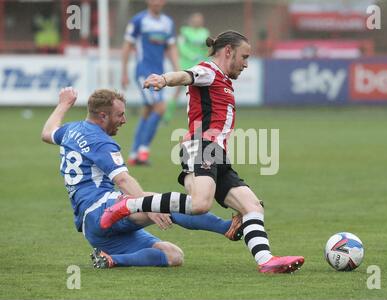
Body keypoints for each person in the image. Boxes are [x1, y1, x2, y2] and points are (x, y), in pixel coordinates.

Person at [107, 31, 305, 274]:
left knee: (252, 207)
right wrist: (164, 79)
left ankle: (266, 261)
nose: (246, 64)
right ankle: (130, 205)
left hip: (217, 154)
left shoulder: (224, 80)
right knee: (201, 204)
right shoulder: (208, 70)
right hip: (201, 146)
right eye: (244, 57)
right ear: (228, 52)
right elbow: (186, 75)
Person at [41, 87, 243, 269]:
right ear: (102, 116)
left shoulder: (71, 131)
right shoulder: (101, 143)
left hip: (91, 227)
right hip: (102, 210)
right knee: (165, 203)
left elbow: (47, 133)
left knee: (173, 256)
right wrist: (148, 205)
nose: (124, 120)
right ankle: (228, 227)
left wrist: (63, 104)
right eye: (119, 115)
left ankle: (110, 260)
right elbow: (123, 180)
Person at [121, 0, 178, 166]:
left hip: (159, 74)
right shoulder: (138, 21)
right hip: (143, 73)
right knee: (160, 108)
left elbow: (172, 48)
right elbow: (127, 45)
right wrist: (124, 71)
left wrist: (177, 70)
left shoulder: (168, 23)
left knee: (147, 111)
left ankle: (133, 153)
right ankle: (143, 151)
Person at [163, 12, 210, 124]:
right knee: (178, 90)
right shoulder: (185, 31)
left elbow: (206, 48)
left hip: (199, 66)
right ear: (191, 20)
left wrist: (206, 58)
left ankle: (201, 116)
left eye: (200, 19)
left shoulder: (205, 32)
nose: (198, 21)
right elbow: (181, 46)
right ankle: (166, 116)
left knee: (202, 92)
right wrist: (191, 55)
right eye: (196, 19)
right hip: (186, 64)